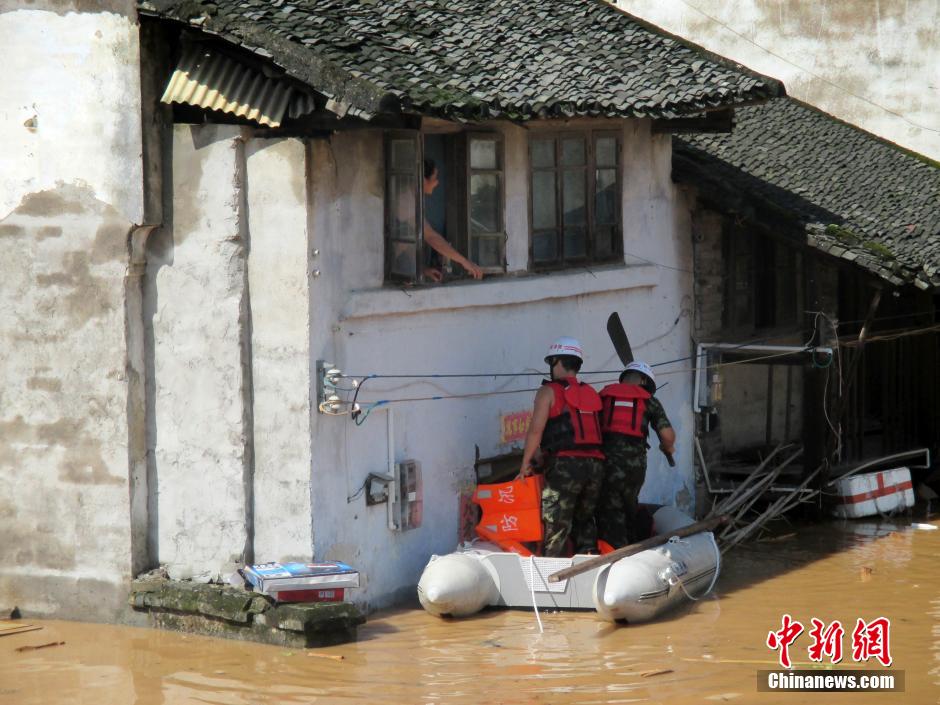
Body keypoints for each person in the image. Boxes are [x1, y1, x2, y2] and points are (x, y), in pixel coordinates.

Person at [519, 337, 605, 556]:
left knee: (557, 524)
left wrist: (525, 463)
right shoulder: (591, 391)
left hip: (565, 466)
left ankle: (552, 572)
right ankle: (590, 562)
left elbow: (535, 431)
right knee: (585, 520)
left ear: (556, 361)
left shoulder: (548, 391)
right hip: (596, 465)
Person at [596, 361, 676, 547]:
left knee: (609, 509)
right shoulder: (650, 401)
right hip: (635, 467)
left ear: (624, 378)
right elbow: (667, 436)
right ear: (644, 381)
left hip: (605, 464)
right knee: (629, 505)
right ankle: (629, 546)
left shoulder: (603, 396)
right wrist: (667, 447)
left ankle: (612, 547)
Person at [422, 159, 483, 282]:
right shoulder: (406, 201)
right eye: (435, 178)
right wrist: (464, 262)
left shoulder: (415, 199)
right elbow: (430, 236)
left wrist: (422, 270)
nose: (437, 182)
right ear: (423, 180)